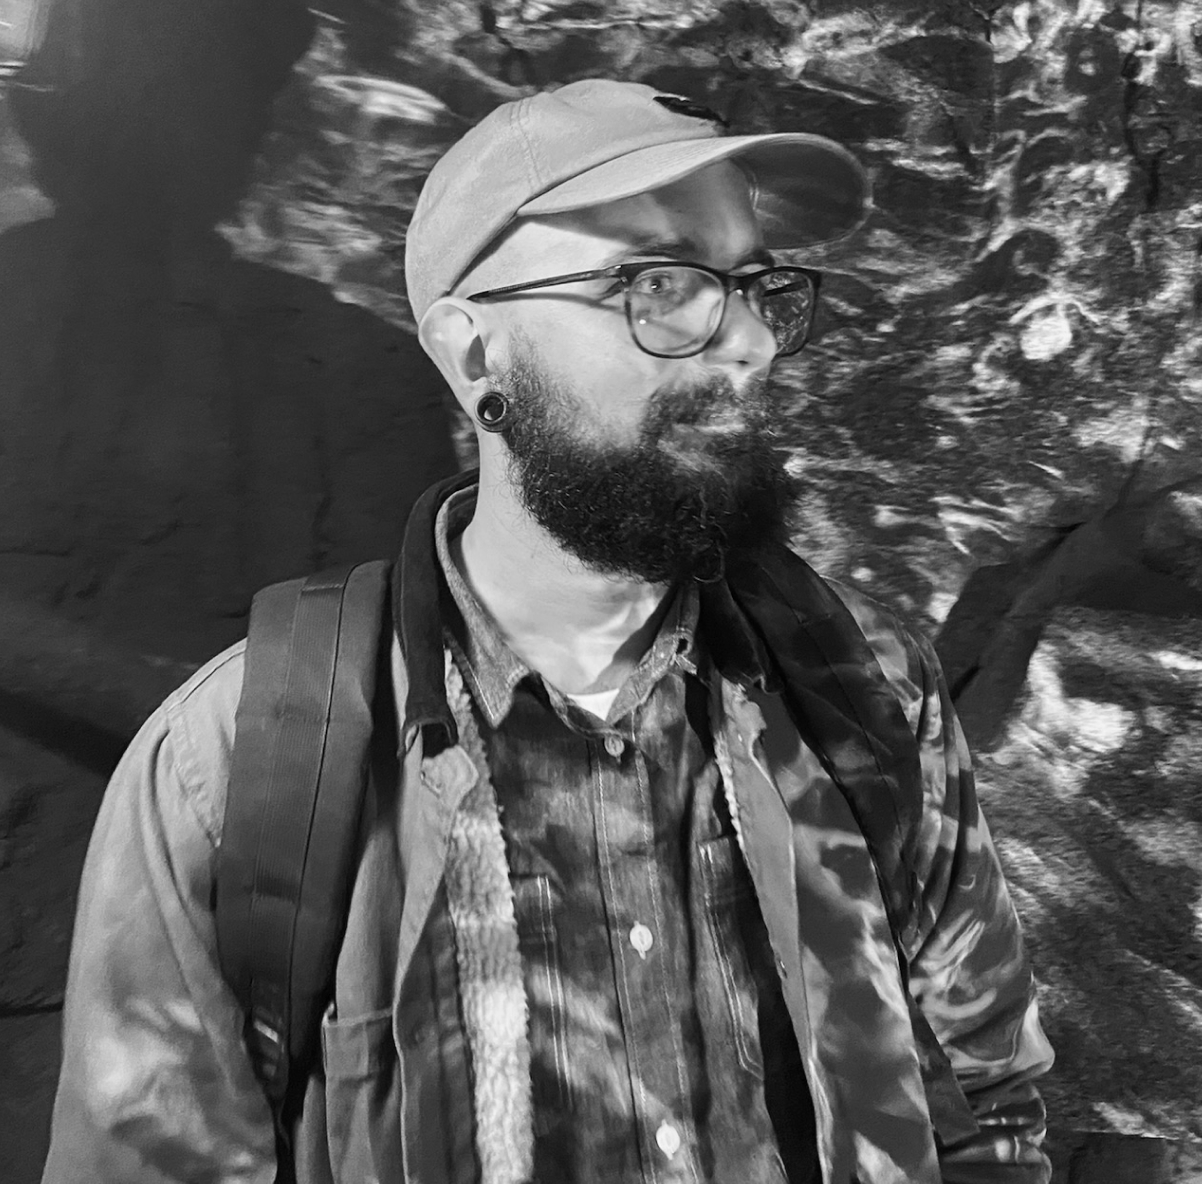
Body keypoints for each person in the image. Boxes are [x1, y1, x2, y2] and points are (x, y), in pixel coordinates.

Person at [42, 79, 1054, 1184]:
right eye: (659, 283)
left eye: (757, 286)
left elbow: (985, 1103)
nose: (753, 342)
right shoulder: (231, 763)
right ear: (476, 354)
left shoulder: (871, 695)